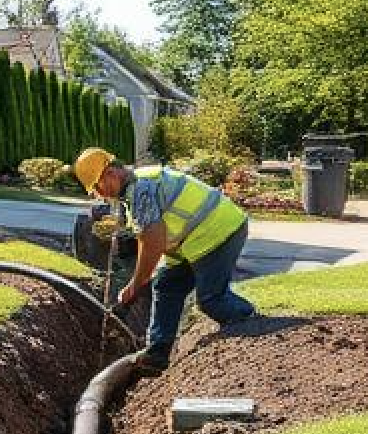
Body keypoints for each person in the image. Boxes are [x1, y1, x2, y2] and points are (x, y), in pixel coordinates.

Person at [73, 147, 258, 374]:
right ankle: (157, 354)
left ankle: (252, 321)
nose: (100, 194)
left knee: (211, 299)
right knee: (166, 285)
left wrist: (135, 284)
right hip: (191, 240)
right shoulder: (136, 187)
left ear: (112, 173)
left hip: (218, 232)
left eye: (98, 186)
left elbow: (153, 244)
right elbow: (151, 235)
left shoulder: (140, 190)